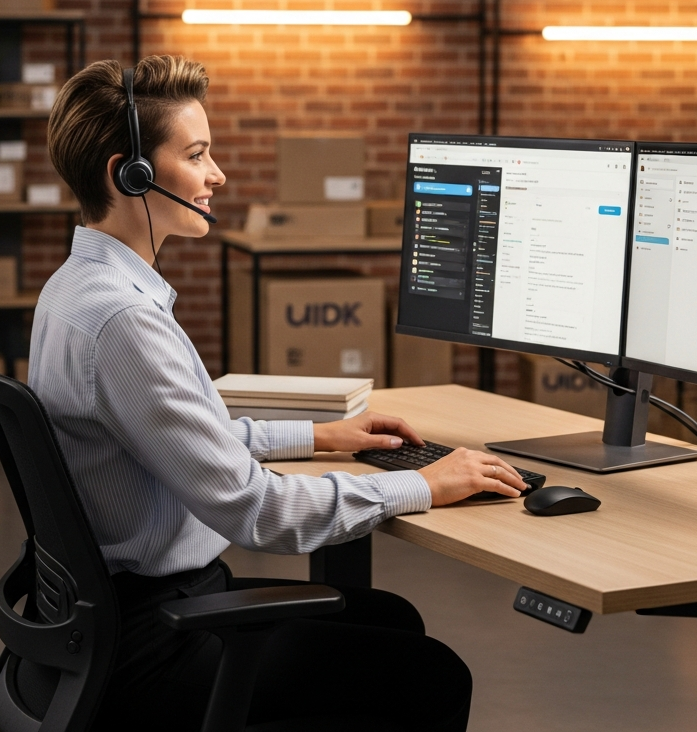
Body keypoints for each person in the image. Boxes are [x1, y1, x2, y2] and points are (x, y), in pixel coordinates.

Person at [29, 56, 518, 731]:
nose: (217, 175)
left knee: (390, 618)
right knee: (432, 676)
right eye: (196, 155)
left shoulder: (75, 289)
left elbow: (179, 439)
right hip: (153, 642)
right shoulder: (123, 323)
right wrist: (423, 485)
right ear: (131, 175)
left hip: (109, 617)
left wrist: (321, 436)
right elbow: (257, 511)